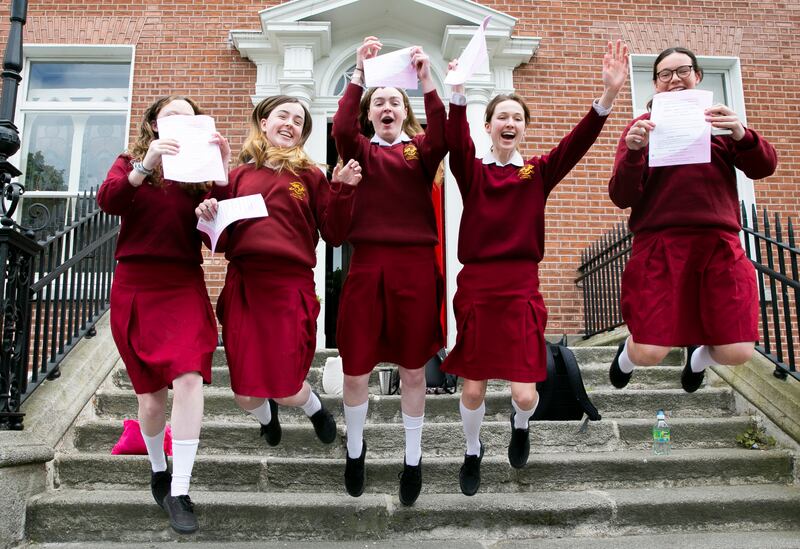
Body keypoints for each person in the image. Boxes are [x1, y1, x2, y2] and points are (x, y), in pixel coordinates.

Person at [442, 41, 629, 496]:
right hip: (479, 290)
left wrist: (607, 97)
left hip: (522, 287)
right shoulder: (473, 172)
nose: (510, 123)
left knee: (526, 396)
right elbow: (455, 140)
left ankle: (520, 427)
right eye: (502, 116)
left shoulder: (538, 173)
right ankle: (472, 450)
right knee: (472, 392)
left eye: (517, 118)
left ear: (523, 130)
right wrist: (457, 93)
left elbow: (576, 144)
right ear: (488, 126)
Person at [195, 95, 360, 463]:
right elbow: (213, 240)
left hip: (290, 287)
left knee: (287, 387)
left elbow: (334, 233)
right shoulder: (235, 176)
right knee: (245, 395)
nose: (290, 124)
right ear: (264, 122)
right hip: (246, 287)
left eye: (298, 121)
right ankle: (267, 420)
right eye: (283, 116)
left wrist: (344, 188)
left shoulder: (311, 176)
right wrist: (208, 209)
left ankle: (314, 407)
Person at [607, 47, 777, 394]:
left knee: (738, 350)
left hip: (717, 244)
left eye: (682, 70)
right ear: (654, 85)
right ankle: (625, 357)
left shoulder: (718, 123)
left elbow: (764, 167)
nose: (675, 79)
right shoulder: (641, 128)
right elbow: (622, 195)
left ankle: (697, 361)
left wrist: (742, 134)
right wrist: (635, 152)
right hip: (660, 246)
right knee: (649, 351)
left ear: (697, 76)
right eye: (664, 74)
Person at [98, 95, 230, 534]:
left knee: (190, 377)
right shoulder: (129, 161)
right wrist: (145, 164)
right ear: (154, 124)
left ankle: (181, 487)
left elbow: (222, 232)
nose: (181, 122)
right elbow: (110, 201)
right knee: (151, 400)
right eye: (172, 115)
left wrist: (220, 181)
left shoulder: (199, 175)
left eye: (190, 117)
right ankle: (158, 468)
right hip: (136, 285)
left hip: (183, 283)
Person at [331, 37, 447, 506]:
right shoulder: (358, 149)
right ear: (369, 112)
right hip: (368, 265)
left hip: (414, 269)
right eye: (378, 102)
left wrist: (424, 80)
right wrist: (359, 72)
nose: (386, 107)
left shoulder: (420, 153)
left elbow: (442, 135)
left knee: (414, 370)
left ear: (405, 111)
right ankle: (355, 451)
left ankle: (413, 458)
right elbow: (339, 127)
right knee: (356, 369)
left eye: (393, 102)